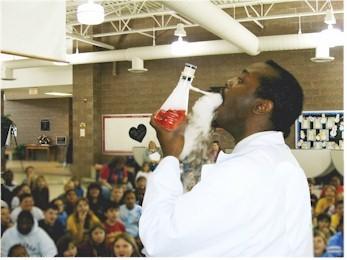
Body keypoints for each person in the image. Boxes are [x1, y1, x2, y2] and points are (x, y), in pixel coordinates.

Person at [139, 60, 313, 256]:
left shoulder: (246, 171)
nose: (229, 82)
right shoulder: (276, 161)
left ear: (261, 107)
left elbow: (160, 239)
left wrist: (170, 157)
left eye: (241, 80)